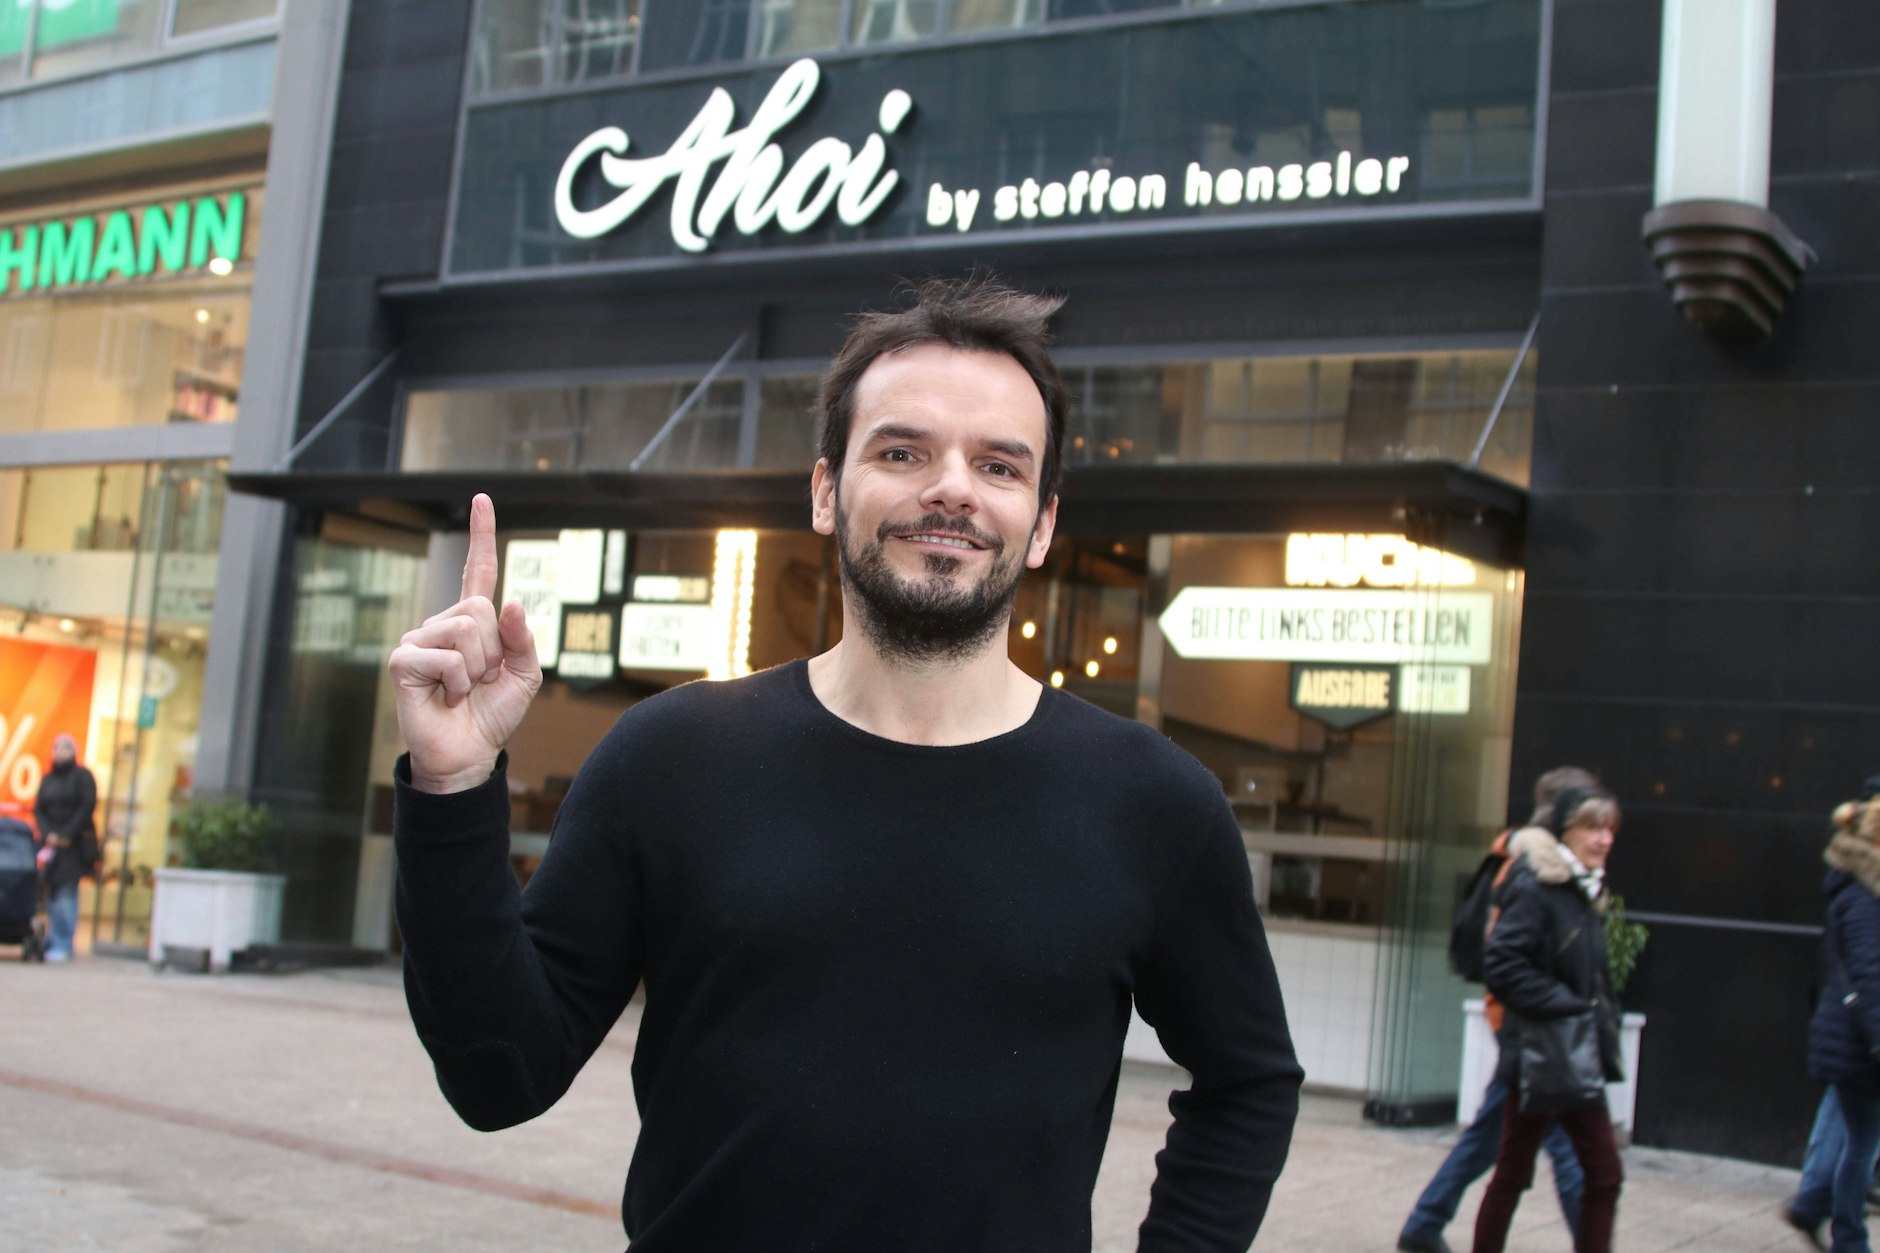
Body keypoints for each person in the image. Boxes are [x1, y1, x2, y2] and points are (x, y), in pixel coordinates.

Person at [388, 277, 1303, 1252]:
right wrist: (451, 786)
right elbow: (498, 1076)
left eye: (998, 464)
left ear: (1039, 523)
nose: (950, 487)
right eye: (901, 451)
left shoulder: (1151, 801)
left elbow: (1247, 1081)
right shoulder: (670, 758)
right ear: (825, 492)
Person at [1394, 766, 1594, 1253]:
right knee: (1569, 1149)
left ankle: (1424, 1222)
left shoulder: (1523, 853)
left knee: (1494, 1137)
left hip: (1522, 1022)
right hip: (1529, 1026)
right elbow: (1508, 954)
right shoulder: (1534, 862)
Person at [1471, 786, 1627, 1253]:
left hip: (1572, 1054)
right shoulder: (1539, 885)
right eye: (1592, 828)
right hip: (1541, 1053)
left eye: (1609, 829)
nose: (1603, 840)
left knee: (1600, 1174)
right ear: (1565, 831)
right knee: (1518, 1174)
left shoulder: (1583, 888)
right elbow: (1502, 964)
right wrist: (1570, 1006)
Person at [1783, 776, 1880, 1252]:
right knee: (1862, 1142)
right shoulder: (1863, 896)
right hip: (1860, 1040)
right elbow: (1869, 972)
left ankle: (1814, 1207)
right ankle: (1849, 1238)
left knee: (1856, 1134)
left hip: (1853, 1035)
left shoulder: (1859, 889)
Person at [33, 733, 99, 963]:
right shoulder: (48, 779)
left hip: (73, 846)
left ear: (73, 751)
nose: (59, 752)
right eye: (56, 748)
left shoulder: (82, 777)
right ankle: (54, 938)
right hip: (51, 845)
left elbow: (86, 806)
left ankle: (63, 942)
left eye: (65, 748)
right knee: (51, 893)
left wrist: (66, 835)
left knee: (66, 893)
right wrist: (48, 834)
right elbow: (39, 808)